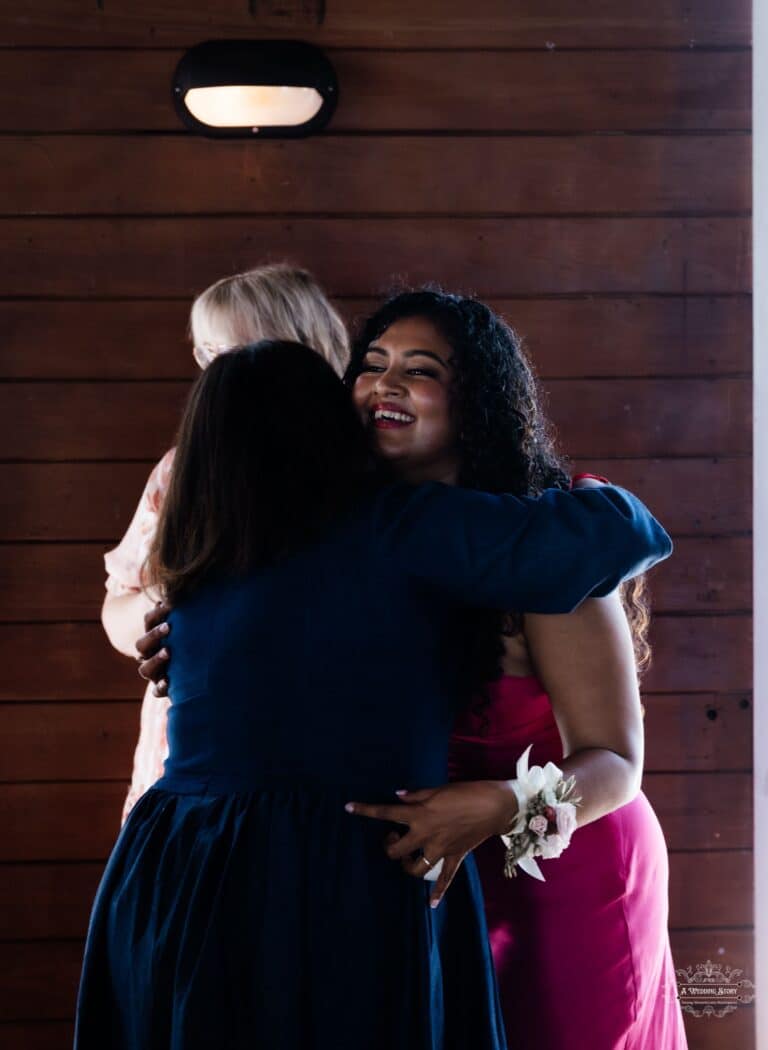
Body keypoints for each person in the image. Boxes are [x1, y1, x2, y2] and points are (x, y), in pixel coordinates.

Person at [76, 341, 671, 1049]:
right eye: (371, 367)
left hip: (174, 862)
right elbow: (621, 537)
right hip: (341, 863)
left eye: (420, 369)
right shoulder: (399, 528)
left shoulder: (206, 560)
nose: (385, 386)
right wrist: (609, 503)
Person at [100, 263, 349, 822]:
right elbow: (119, 608)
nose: (221, 375)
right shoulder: (179, 471)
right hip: (184, 748)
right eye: (209, 356)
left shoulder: (359, 466)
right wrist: (163, 608)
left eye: (238, 354)